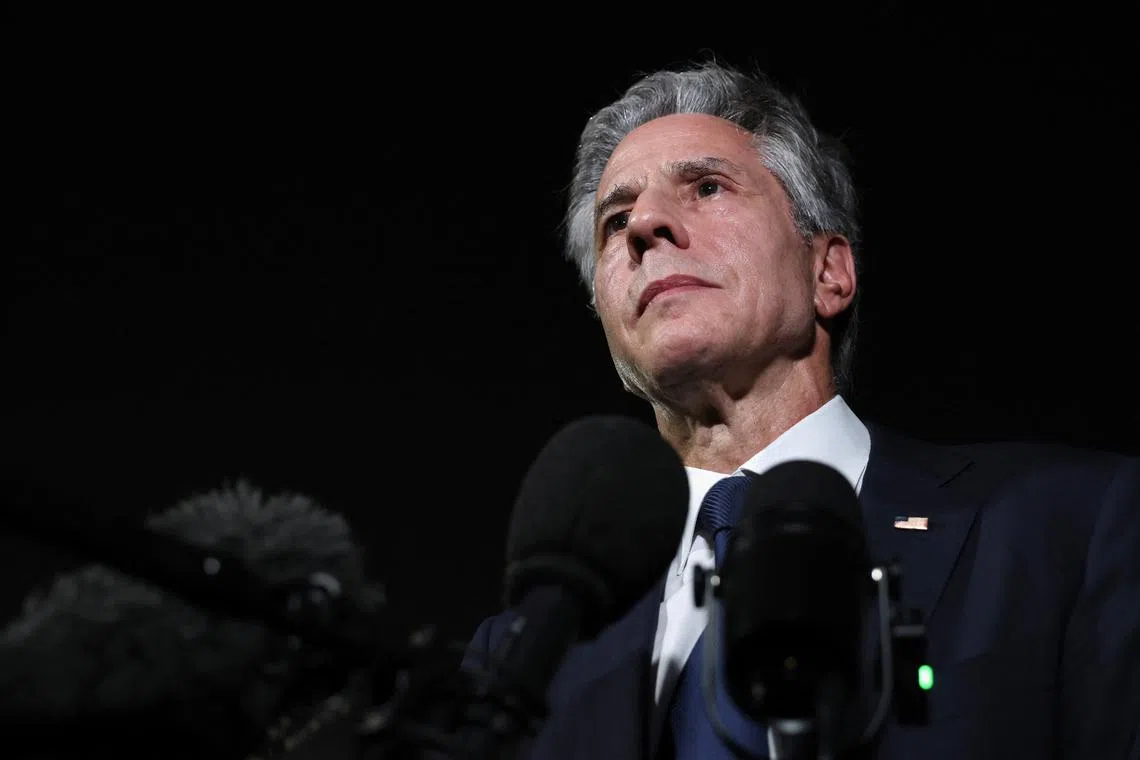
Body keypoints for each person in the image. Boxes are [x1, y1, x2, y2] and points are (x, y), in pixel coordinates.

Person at [465, 58, 1140, 759]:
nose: (645, 224)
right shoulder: (527, 657)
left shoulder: (1072, 528)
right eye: (615, 221)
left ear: (828, 271)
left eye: (706, 187)